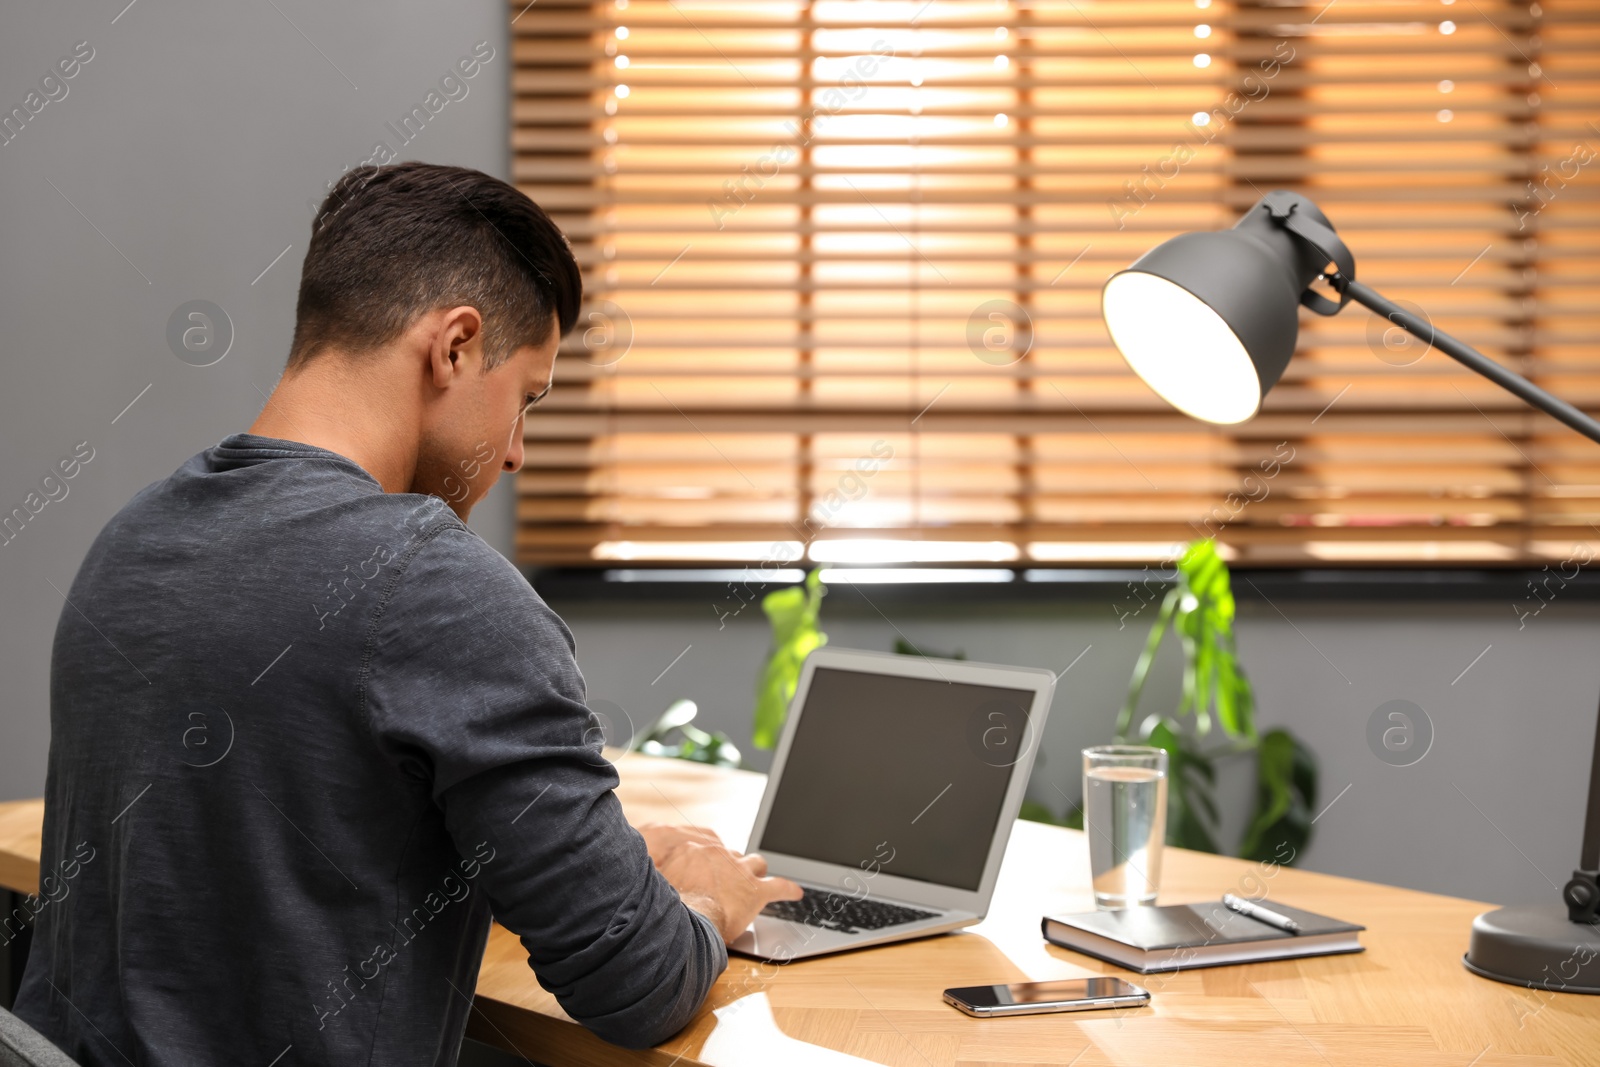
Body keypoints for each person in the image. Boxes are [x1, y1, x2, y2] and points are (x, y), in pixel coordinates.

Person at [14, 161, 801, 1066]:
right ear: (455, 346)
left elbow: (272, 837)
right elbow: (637, 983)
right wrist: (704, 899)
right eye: (527, 399)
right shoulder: (439, 588)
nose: (515, 453)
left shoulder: (134, 539)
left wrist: (597, 866)